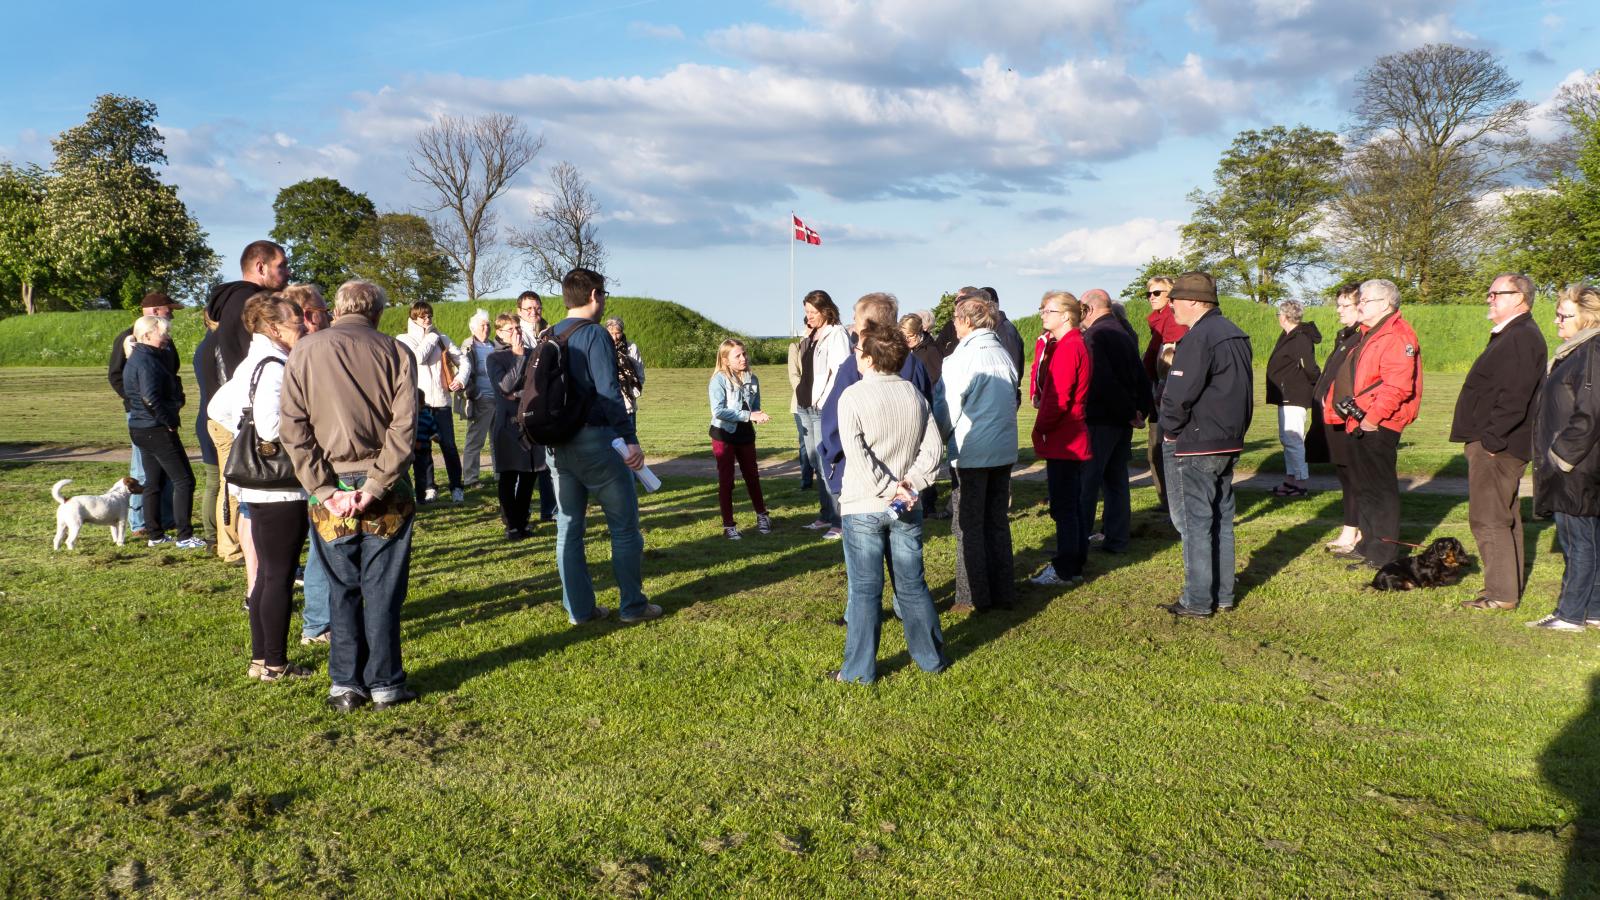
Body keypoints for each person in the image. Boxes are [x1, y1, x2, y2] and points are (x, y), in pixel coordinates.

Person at [278, 280, 419, 712]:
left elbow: (293, 429)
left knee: (342, 585)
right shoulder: (396, 352)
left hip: (331, 484)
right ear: (377, 311)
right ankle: (385, 684)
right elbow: (404, 427)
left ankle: (345, 685)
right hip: (387, 487)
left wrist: (323, 490)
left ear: (336, 310)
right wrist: (375, 485)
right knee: (383, 586)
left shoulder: (304, 351)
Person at [831, 320, 949, 684]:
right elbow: (934, 449)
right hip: (905, 503)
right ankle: (931, 659)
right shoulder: (914, 394)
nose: (855, 354)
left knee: (866, 590)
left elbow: (856, 453)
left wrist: (891, 487)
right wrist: (909, 484)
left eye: (859, 350)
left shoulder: (852, 396)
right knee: (911, 583)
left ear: (869, 358)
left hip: (866, 504)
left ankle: (857, 672)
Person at [546, 267, 661, 625]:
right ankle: (632, 605)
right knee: (624, 527)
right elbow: (609, 393)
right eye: (604, 295)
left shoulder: (549, 333)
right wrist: (630, 440)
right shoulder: (595, 334)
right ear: (595, 296)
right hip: (596, 440)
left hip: (557, 444)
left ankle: (579, 610)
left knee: (568, 528)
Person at [207, 292, 312, 681]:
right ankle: (275, 663)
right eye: (295, 321)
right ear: (273, 328)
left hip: (259, 487)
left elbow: (220, 410)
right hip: (279, 488)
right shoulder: (274, 367)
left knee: (267, 574)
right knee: (278, 577)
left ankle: (261, 659)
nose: (301, 325)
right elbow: (270, 426)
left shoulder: (254, 362)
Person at [1158, 272, 1253, 618]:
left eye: (1176, 299)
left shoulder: (1198, 337)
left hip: (1196, 442)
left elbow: (1178, 395)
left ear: (1196, 302)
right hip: (1226, 439)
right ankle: (1223, 594)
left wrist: (1169, 431)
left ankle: (1197, 600)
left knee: (1194, 523)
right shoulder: (1234, 333)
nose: (1171, 306)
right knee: (1221, 520)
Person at [1451, 273, 1547, 612]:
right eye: (1489, 293)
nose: (1489, 299)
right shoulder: (1514, 335)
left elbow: (1515, 395)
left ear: (1519, 297)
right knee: (1504, 516)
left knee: (1488, 517)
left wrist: (1491, 440)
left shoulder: (1520, 337)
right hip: (1499, 442)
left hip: (1498, 445)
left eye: (1496, 293)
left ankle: (1500, 594)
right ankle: (1505, 587)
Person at [205, 241, 291, 564]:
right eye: (281, 265)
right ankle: (236, 550)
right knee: (242, 484)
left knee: (239, 484)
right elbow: (253, 361)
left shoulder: (234, 301)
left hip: (239, 407)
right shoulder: (250, 302)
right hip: (243, 411)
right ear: (260, 267)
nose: (287, 271)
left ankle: (239, 548)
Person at [935, 297, 1020, 612]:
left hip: (973, 450)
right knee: (996, 521)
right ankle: (1003, 590)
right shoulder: (1002, 354)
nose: (954, 325)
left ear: (966, 321)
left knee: (968, 524)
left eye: (956, 319)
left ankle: (970, 596)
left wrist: (937, 438)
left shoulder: (961, 359)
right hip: (1002, 448)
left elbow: (947, 409)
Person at [1527, 283, 1600, 631]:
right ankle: (1594, 610)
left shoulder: (1592, 351)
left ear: (1588, 318)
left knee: (1578, 540)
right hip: (1578, 462)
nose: (1557, 320)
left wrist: (1562, 455)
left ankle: (1570, 615)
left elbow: (1592, 412)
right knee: (1588, 538)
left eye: (1564, 315)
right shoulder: (1578, 351)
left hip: (1577, 464)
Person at [1339, 279, 1423, 571]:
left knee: (1380, 490)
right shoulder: (1370, 333)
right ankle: (1367, 545)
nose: (1359, 305)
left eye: (1365, 300)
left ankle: (1383, 553)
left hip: (1378, 423)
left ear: (1386, 305)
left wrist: (1373, 419)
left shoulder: (1396, 335)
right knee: (1364, 488)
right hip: (1360, 420)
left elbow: (1398, 386)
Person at [1079, 288, 1153, 555]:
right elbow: (1141, 374)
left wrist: (1130, 412)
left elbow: (1103, 381)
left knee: (1087, 483)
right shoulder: (1121, 331)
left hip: (1103, 419)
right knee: (1116, 481)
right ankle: (1117, 538)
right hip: (1122, 419)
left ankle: (1079, 539)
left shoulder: (1097, 335)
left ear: (1089, 309)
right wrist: (1140, 410)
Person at [123, 315, 205, 550]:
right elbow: (150, 397)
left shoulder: (138, 357)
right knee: (184, 480)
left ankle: (155, 534)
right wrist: (169, 420)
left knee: (153, 481)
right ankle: (184, 535)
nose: (167, 336)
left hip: (140, 428)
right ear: (147, 335)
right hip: (156, 428)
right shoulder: (147, 361)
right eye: (163, 332)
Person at [1027, 291, 1092, 588]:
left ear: (1066, 315)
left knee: (1065, 507)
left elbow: (1058, 398)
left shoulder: (1068, 346)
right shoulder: (1072, 343)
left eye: (1048, 310)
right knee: (1071, 505)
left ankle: (1066, 568)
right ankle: (1074, 562)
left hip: (1066, 437)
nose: (1042, 314)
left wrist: (1039, 427)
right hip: (1072, 434)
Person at [281, 283, 333, 647]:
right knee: (323, 542)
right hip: (312, 462)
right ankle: (317, 623)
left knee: (323, 541)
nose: (328, 315)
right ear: (308, 315)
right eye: (322, 309)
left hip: (310, 460)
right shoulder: (303, 354)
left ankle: (324, 616)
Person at [109, 292, 179, 538]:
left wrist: (175, 399)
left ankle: (167, 518)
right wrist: (134, 400)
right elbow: (116, 375)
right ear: (155, 310)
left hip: (164, 411)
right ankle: (139, 522)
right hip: (142, 415)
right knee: (142, 469)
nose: (172, 313)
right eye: (169, 309)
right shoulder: (128, 338)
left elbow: (173, 373)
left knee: (169, 469)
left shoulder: (164, 340)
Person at [396, 301, 469, 503]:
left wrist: (460, 379)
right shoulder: (404, 339)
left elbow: (463, 360)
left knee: (449, 446)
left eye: (429, 315)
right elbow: (417, 358)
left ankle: (456, 487)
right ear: (413, 318)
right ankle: (428, 487)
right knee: (422, 449)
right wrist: (431, 336)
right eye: (422, 316)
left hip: (442, 401)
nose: (427, 319)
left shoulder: (441, 338)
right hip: (419, 403)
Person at [1313, 283, 1366, 553]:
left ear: (1361, 306)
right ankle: (1352, 529)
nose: (1339, 310)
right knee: (1344, 474)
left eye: (1345, 305)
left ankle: (1354, 531)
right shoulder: (1344, 336)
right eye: (1339, 305)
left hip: (1349, 417)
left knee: (1354, 475)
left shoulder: (1362, 338)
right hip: (1332, 416)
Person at [486, 313, 550, 539]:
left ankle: (522, 521)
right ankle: (512, 524)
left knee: (530, 473)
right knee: (509, 475)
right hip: (507, 425)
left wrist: (520, 394)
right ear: (500, 333)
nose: (516, 333)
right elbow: (504, 388)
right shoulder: (494, 358)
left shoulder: (532, 353)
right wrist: (518, 356)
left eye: (518, 329)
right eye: (510, 330)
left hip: (530, 424)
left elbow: (538, 387)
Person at [795, 290, 851, 538]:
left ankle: (839, 520)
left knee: (828, 463)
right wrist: (807, 337)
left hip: (822, 407)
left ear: (826, 310)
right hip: (805, 405)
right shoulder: (813, 334)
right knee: (815, 462)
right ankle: (825, 514)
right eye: (806, 312)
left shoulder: (837, 334)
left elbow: (841, 371)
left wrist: (823, 400)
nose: (808, 317)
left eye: (813, 312)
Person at [708, 339, 773, 540]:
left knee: (752, 476)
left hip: (745, 434)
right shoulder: (718, 380)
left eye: (744, 354)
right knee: (726, 481)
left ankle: (762, 516)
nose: (743, 358)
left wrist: (758, 414)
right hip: (723, 434)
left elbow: (755, 405)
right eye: (738, 355)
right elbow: (718, 411)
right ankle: (729, 526)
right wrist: (748, 416)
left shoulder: (752, 379)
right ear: (726, 360)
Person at [1265, 299, 1323, 497]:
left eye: (1279, 315)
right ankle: (1290, 480)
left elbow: (1310, 367)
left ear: (1284, 316)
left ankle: (1300, 482)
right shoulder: (1289, 335)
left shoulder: (1299, 338)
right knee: (1287, 438)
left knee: (1293, 438)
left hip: (1295, 394)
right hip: (1286, 394)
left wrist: (1318, 384)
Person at [1141, 276, 1187, 513]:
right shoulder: (1158, 323)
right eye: (1148, 293)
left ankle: (1174, 504)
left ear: (1170, 295)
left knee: (1163, 451)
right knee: (1155, 452)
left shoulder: (1173, 322)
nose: (1151, 297)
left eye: (1157, 292)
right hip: (1157, 396)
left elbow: (1172, 361)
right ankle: (1168, 502)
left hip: (1168, 397)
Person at [901, 313, 947, 518]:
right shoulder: (906, 352)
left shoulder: (930, 352)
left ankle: (929, 505)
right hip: (907, 410)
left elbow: (935, 382)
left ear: (919, 333)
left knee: (924, 457)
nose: (906, 341)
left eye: (909, 337)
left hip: (925, 408)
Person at [456, 308, 497, 487]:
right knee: (475, 440)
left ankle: (500, 475)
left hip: (498, 399)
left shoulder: (494, 345)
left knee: (498, 440)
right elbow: (463, 375)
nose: (486, 328)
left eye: (488, 325)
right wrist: (477, 394)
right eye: (482, 325)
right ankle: (471, 479)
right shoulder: (467, 347)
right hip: (481, 400)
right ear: (473, 328)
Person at [193, 313, 220, 546]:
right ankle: (212, 534)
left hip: (206, 416)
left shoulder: (204, 346)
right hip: (215, 419)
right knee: (215, 481)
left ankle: (213, 534)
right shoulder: (216, 346)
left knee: (214, 481)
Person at [605, 315, 645, 432]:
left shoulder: (631, 347)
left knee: (630, 436)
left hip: (628, 400)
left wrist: (633, 393)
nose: (615, 337)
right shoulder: (603, 347)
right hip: (609, 399)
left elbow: (640, 372)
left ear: (622, 332)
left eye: (617, 333)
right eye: (611, 333)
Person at [786, 339, 815, 490]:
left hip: (820, 401)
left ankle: (824, 478)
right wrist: (805, 392)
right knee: (805, 442)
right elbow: (793, 373)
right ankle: (806, 480)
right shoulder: (795, 346)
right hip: (800, 402)